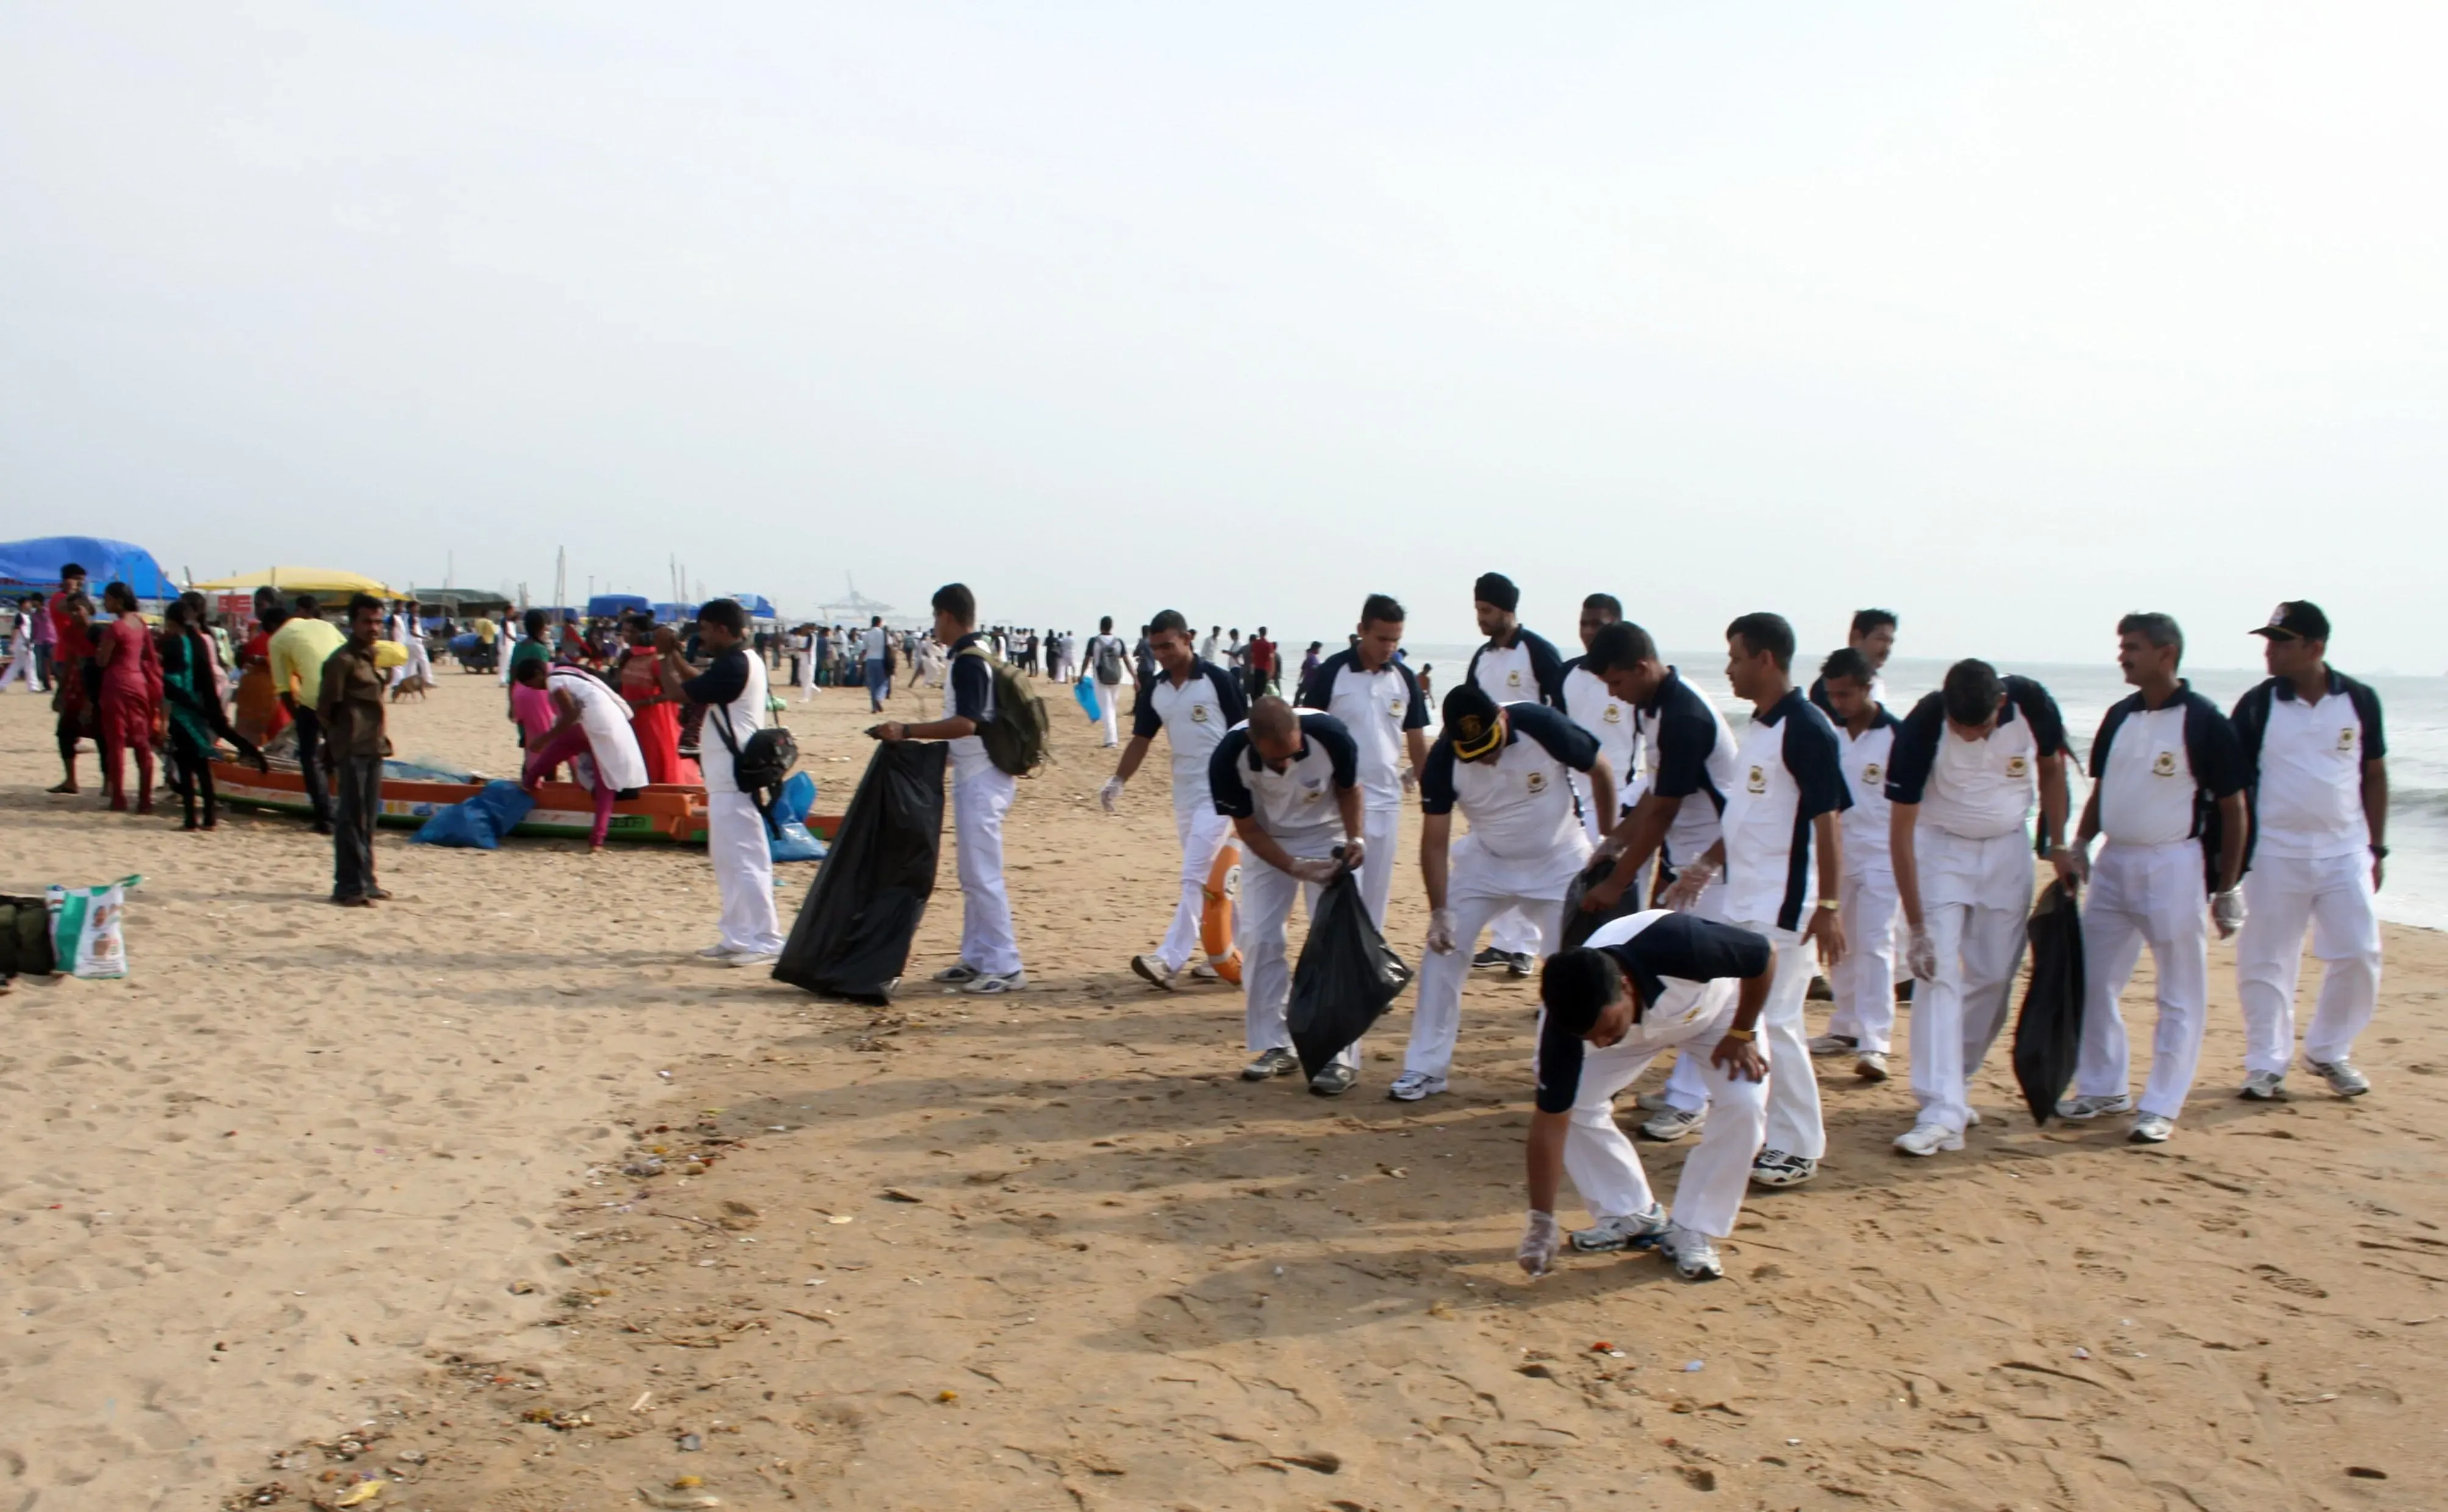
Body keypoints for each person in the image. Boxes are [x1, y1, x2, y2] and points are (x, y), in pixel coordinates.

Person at [1643, 615, 1848, 1189]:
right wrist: (1705, 867)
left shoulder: (1807, 728)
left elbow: (1827, 820)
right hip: (1746, 897)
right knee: (1746, 1021)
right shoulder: (1761, 725)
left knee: (1777, 1023)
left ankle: (1798, 1145)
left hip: (1785, 905)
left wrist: (1828, 904)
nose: (1728, 667)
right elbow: (1744, 816)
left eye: (1735, 656)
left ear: (1764, 659)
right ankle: (1753, 1132)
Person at [2062, 613, 2248, 1144]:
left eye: (2133, 647)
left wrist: (2228, 886)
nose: (2123, 656)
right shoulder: (2119, 716)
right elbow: (2104, 789)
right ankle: (2103, 1086)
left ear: (2166, 654)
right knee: (2093, 980)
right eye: (2121, 646)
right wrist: (2081, 843)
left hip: (2173, 863)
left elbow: (2234, 808)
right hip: (2115, 863)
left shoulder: (2204, 720)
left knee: (2178, 991)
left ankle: (2161, 1104)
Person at [1516, 912, 1779, 1283]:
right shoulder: (1566, 1026)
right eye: (1590, 1037)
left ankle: (1694, 1228)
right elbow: (1550, 1121)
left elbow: (1764, 955)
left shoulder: (1683, 945)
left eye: (1605, 1029)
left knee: (1745, 1105)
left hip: (1715, 1014)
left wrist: (1743, 1031)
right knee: (1575, 1101)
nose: (1601, 1043)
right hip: (1637, 1029)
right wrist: (1541, 1221)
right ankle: (1628, 1211)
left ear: (1625, 985)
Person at [1885, 658, 2075, 1155]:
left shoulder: (2031, 703)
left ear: (2000, 704)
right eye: (1959, 728)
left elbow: (2053, 770)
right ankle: (1938, 1104)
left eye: (1981, 727)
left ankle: (1956, 1079)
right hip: (1940, 847)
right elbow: (1900, 831)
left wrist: (2058, 845)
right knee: (1937, 972)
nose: (1969, 737)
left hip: (2007, 846)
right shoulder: (1923, 723)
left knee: (1994, 974)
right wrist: (1916, 925)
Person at [1401, 683, 1613, 1102]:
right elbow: (1434, 841)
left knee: (1572, 967)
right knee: (1441, 953)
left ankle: (1563, 1071)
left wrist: (1609, 838)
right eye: (1476, 752)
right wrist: (1438, 911)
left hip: (1559, 859)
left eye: (1492, 746)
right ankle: (1424, 1069)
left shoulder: (1542, 725)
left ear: (1502, 718)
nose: (1488, 757)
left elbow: (1600, 769)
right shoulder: (1444, 759)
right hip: (1487, 861)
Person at [1573, 623, 1740, 1141]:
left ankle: (1692, 1100)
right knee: (1677, 971)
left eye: (1616, 682)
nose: (1612, 694)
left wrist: (1615, 883)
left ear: (1642, 667)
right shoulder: (1653, 708)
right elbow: (1653, 792)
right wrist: (1616, 840)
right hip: (1681, 859)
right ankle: (1684, 1089)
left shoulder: (1685, 716)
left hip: (1717, 862)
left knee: (1704, 979)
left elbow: (1666, 809)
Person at [2229, 601, 2388, 1100]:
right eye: (2269, 640)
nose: (2270, 651)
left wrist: (2377, 848)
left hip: (2344, 850)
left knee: (2359, 951)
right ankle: (2264, 1064)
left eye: (2282, 641)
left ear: (2314, 647)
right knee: (2266, 958)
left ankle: (2328, 1050)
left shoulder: (2358, 700)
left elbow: (2374, 773)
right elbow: (2232, 787)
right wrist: (2227, 862)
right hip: (2274, 851)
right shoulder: (2257, 706)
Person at [1209, 696, 1368, 1093]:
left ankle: (1340, 1057)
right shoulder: (1227, 758)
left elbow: (1349, 790)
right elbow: (1247, 830)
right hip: (1268, 840)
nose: (1287, 765)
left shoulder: (1332, 736)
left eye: (1293, 754)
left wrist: (1355, 839)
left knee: (1333, 940)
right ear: (1252, 740)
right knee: (1260, 940)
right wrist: (1293, 867)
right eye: (1277, 760)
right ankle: (1275, 1045)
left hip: (1326, 831)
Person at [873, 583, 1026, 994]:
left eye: (935, 617)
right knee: (972, 874)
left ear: (946, 615)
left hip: (983, 778)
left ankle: (1006, 965)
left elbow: (967, 723)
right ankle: (977, 957)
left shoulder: (969, 663)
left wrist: (908, 731)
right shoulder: (973, 656)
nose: (934, 626)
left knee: (983, 875)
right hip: (976, 774)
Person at [1104, 610, 1249, 990]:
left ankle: (1169, 959)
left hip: (1222, 793)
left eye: (1169, 645)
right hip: (1184, 794)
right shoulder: (1156, 688)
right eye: (1155, 649)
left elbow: (1248, 733)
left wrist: (1254, 787)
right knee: (1213, 879)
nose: (1163, 654)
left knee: (1194, 874)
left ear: (1188, 639)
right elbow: (1141, 739)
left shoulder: (1218, 680)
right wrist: (1118, 779)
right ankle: (1238, 954)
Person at [652, 600, 785, 965]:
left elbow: (678, 693)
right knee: (727, 858)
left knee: (748, 859)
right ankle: (738, 934)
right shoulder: (744, 658)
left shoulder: (737, 663)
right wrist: (677, 654)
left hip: (734, 775)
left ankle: (767, 938)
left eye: (706, 630)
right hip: (727, 776)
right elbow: (702, 683)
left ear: (722, 630)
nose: (703, 637)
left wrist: (665, 657)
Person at [1296, 593, 1431, 930]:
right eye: (1382, 638)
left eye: (1396, 640)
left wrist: (1432, 796)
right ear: (1362, 630)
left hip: (1386, 801)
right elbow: (1306, 733)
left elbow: (1417, 741)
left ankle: (1367, 971)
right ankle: (1328, 966)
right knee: (1332, 890)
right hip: (1334, 802)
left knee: (1375, 895)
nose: (1389, 647)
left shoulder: (1404, 678)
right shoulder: (1332, 672)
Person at [1465, 572, 1569, 972]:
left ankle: (1525, 948)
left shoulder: (1538, 652)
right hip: (1489, 770)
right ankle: (1501, 943)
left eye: (1487, 611)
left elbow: (1560, 706)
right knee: (1494, 850)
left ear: (1507, 610)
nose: (1481, 619)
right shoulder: (1482, 657)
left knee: (1531, 855)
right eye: (1477, 610)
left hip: (1533, 771)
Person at [1810, 648, 1904, 1082]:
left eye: (1846, 694)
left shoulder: (1896, 736)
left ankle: (1875, 1041)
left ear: (1868, 688)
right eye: (1832, 695)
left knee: (1876, 942)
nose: (1839, 703)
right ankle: (1844, 1026)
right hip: (1837, 850)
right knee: (1838, 940)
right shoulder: (1828, 732)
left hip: (1884, 853)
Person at [316, 594, 407, 905]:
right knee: (351, 818)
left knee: (368, 818)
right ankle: (348, 886)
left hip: (373, 746)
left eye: (378, 621)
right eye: (367, 621)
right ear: (353, 623)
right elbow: (325, 707)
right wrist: (337, 741)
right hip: (352, 747)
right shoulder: (342, 661)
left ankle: (367, 880)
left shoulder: (370, 658)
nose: (373, 627)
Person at [157, 599, 266, 830]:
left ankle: (190, 820)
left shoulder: (174, 643)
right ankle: (209, 819)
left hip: (185, 710)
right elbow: (205, 677)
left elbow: (171, 683)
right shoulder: (200, 640)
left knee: (185, 766)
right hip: (203, 705)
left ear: (170, 621)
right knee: (202, 765)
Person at [1559, 594, 1647, 872]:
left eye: (1597, 624)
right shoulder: (1565, 674)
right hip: (1571, 810)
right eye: (1583, 624)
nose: (1588, 632)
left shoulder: (1636, 681)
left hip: (1620, 805)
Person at [525, 661, 652, 850]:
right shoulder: (568, 671)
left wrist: (543, 739)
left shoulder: (552, 679)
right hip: (608, 723)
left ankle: (529, 783)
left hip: (594, 726)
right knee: (606, 783)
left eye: (533, 684)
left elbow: (570, 714)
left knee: (555, 752)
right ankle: (597, 841)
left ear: (538, 673)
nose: (537, 689)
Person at [270, 596, 348, 832]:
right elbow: (347, 653)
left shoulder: (277, 640)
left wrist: (297, 717)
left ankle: (325, 818)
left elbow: (283, 688)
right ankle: (350, 810)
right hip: (345, 692)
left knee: (309, 757)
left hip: (314, 699)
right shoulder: (327, 626)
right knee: (343, 753)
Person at [91, 582, 163, 813]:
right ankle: (145, 799)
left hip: (117, 685)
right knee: (142, 741)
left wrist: (99, 651)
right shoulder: (140, 624)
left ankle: (119, 798)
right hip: (138, 684)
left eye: (108, 599)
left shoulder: (116, 628)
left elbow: (102, 661)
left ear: (119, 601)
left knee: (116, 743)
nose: (105, 602)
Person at [615, 614, 696, 785]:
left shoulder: (656, 660)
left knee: (654, 761)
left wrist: (644, 703)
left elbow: (673, 692)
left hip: (654, 720)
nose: (627, 635)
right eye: (625, 631)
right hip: (631, 718)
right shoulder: (628, 656)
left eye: (632, 631)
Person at [46, 565, 96, 794]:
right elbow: (68, 607)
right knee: (70, 705)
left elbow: (91, 610)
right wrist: (75, 594)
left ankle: (74, 741)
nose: (81, 584)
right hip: (66, 657)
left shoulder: (79, 601)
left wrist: (80, 596)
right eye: (78, 580)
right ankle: (73, 742)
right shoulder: (59, 598)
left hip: (72, 655)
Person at [1807, 609, 1897, 713]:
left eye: (1890, 642)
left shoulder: (1876, 681)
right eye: (1881, 639)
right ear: (1856, 638)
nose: (1887, 649)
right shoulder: (1829, 686)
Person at [1085, 616, 1130, 749]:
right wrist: (1135, 677)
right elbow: (1127, 660)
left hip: (1100, 678)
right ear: (1112, 627)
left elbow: (1087, 659)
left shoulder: (1094, 641)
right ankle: (1110, 737)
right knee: (1112, 707)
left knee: (1106, 708)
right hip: (1116, 678)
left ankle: (1111, 740)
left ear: (1100, 626)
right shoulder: (1119, 642)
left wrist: (1081, 674)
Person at [2, 594, 43, 691]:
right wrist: (14, 643)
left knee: (16, 666)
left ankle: (2, 684)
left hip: (24, 643)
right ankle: (33, 686)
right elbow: (17, 630)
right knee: (31, 665)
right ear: (23, 604)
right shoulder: (20, 616)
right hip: (24, 644)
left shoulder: (27, 615)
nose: (30, 604)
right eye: (28, 603)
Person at [862, 615, 891, 713]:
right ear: (880, 623)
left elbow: (865, 649)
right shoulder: (884, 633)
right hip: (881, 660)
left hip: (870, 659)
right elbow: (890, 645)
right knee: (884, 682)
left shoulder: (866, 634)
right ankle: (879, 698)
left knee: (872, 684)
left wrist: (860, 661)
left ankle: (874, 707)